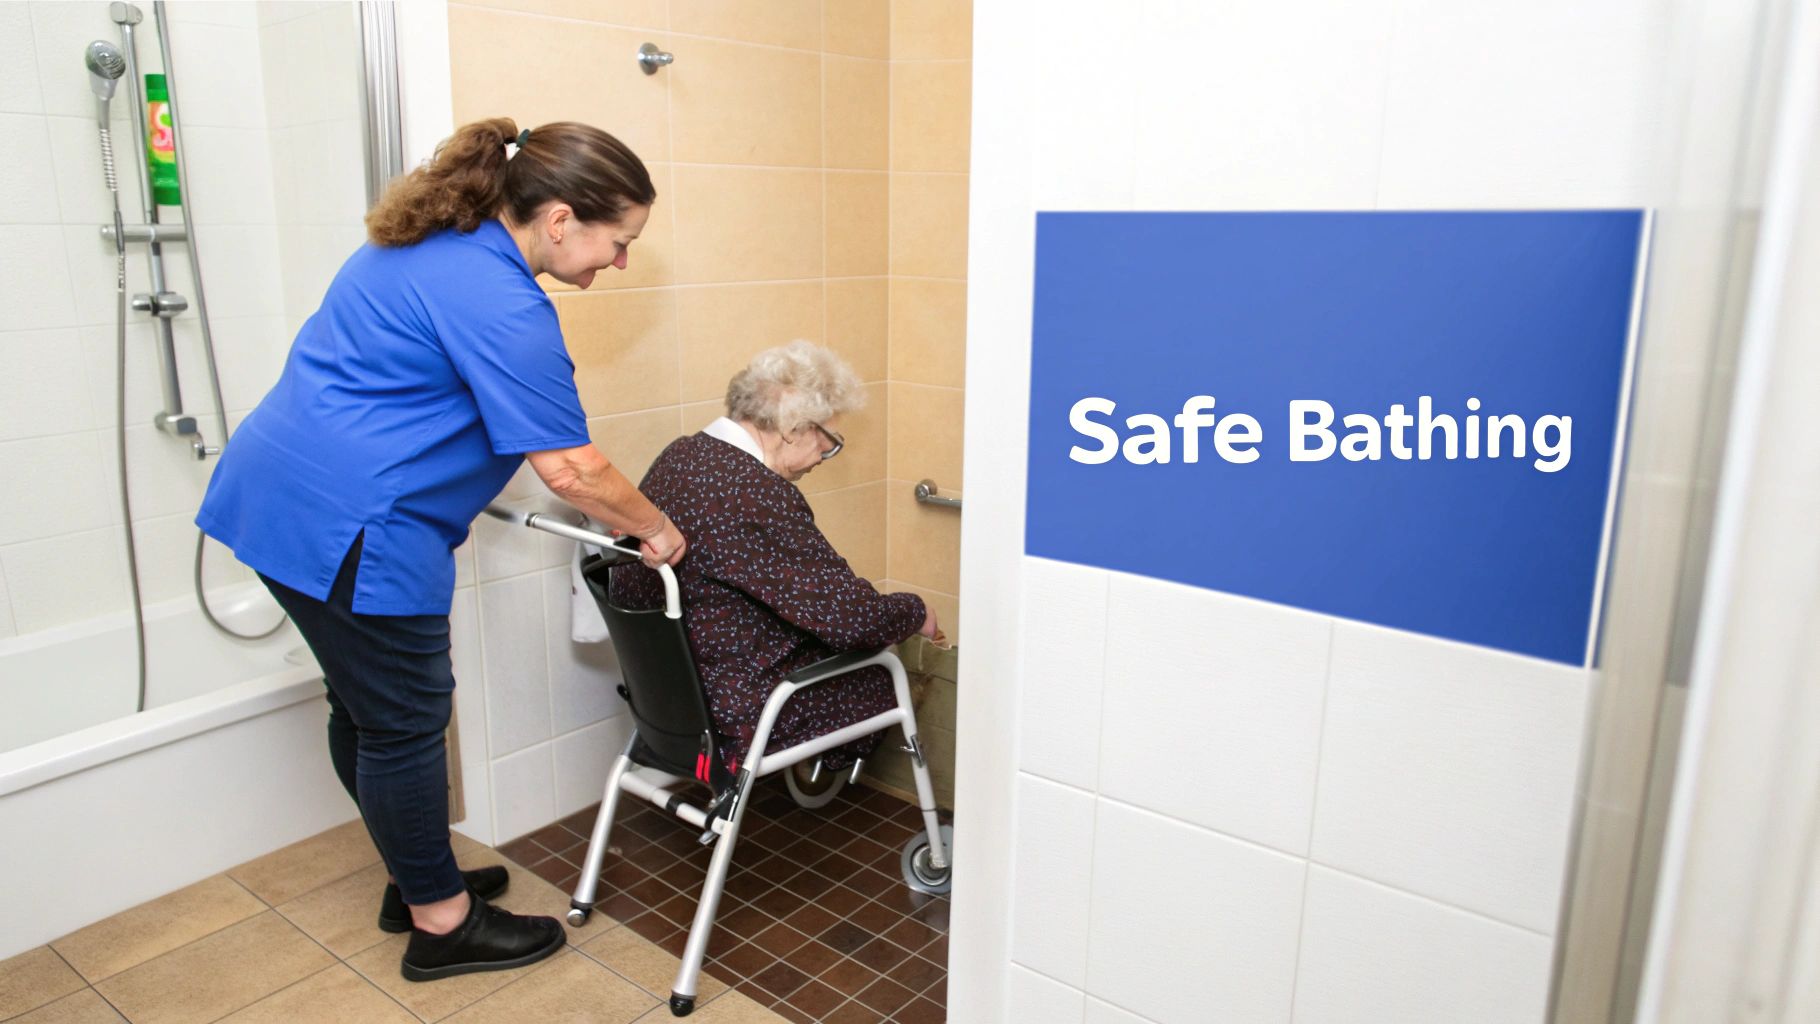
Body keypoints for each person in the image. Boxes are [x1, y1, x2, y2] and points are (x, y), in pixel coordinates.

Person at [195, 118, 685, 982]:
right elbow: (572, 469)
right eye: (621, 241)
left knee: (365, 712)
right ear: (563, 218)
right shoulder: (503, 299)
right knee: (405, 724)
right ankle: (442, 924)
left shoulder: (425, 244)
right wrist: (652, 526)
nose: (621, 263)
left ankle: (416, 876)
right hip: (353, 527)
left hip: (278, 501)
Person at [613, 341, 938, 777]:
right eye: (830, 440)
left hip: (667, 705)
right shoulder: (757, 494)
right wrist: (916, 612)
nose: (825, 455)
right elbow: (853, 620)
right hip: (740, 714)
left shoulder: (681, 456)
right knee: (886, 668)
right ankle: (831, 767)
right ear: (794, 428)